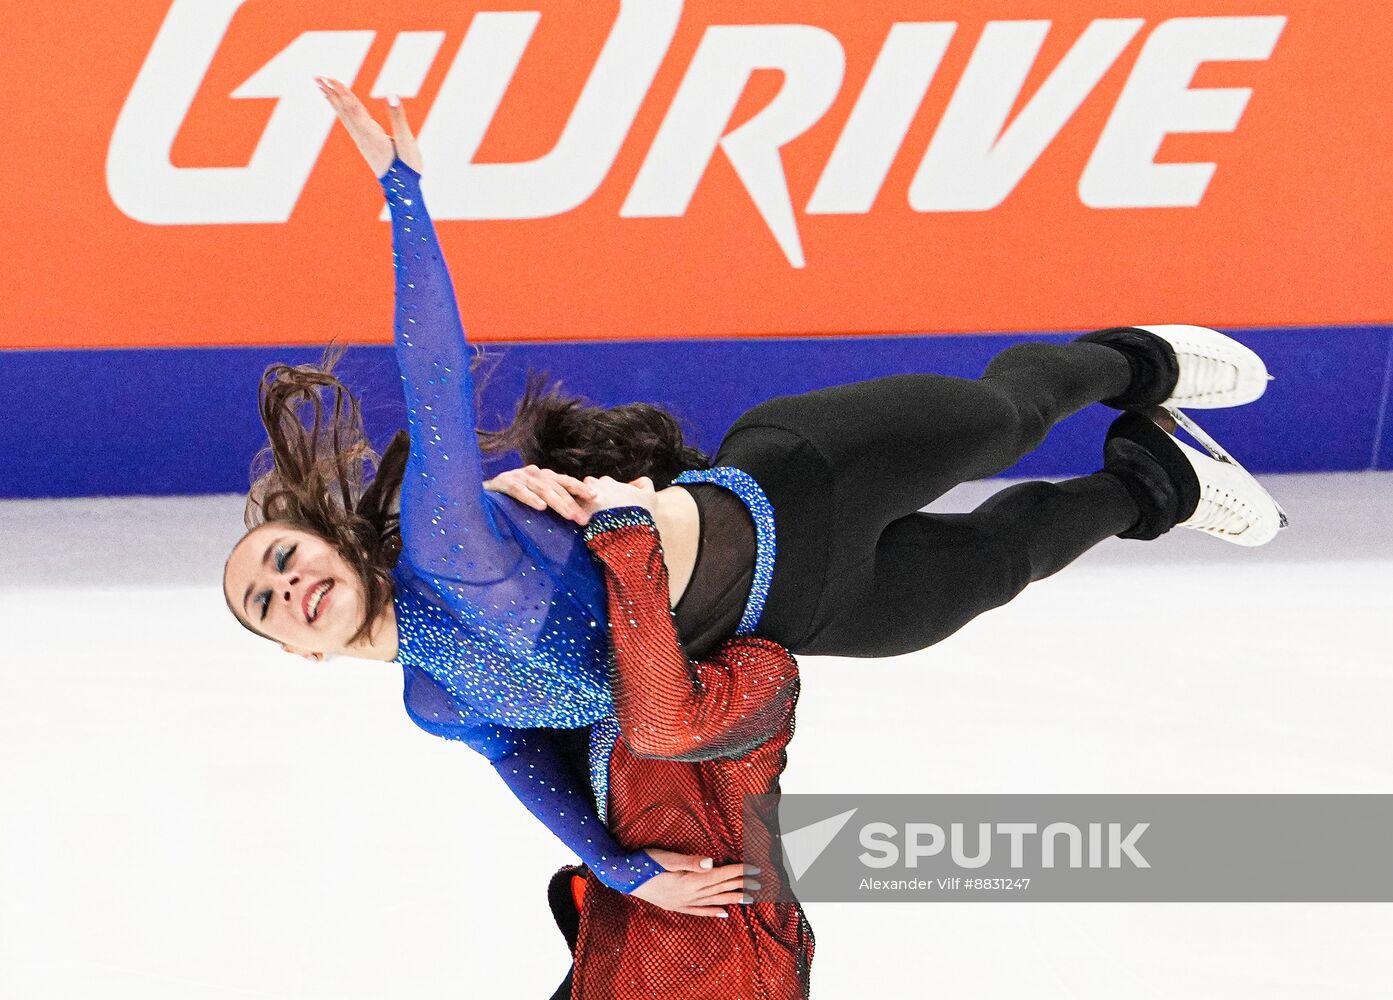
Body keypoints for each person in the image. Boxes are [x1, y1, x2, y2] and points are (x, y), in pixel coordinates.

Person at [221, 79, 1285, 914]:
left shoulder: (446, 537)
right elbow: (533, 775)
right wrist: (627, 873)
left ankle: (1130, 363)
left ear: (327, 540)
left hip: (796, 481)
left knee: (1002, 417)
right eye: (263, 601)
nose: (284, 584)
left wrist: (402, 193)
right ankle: (1156, 480)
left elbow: (435, 380)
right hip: (809, 614)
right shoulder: (439, 703)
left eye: (278, 557)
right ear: (297, 653)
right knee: (1007, 560)